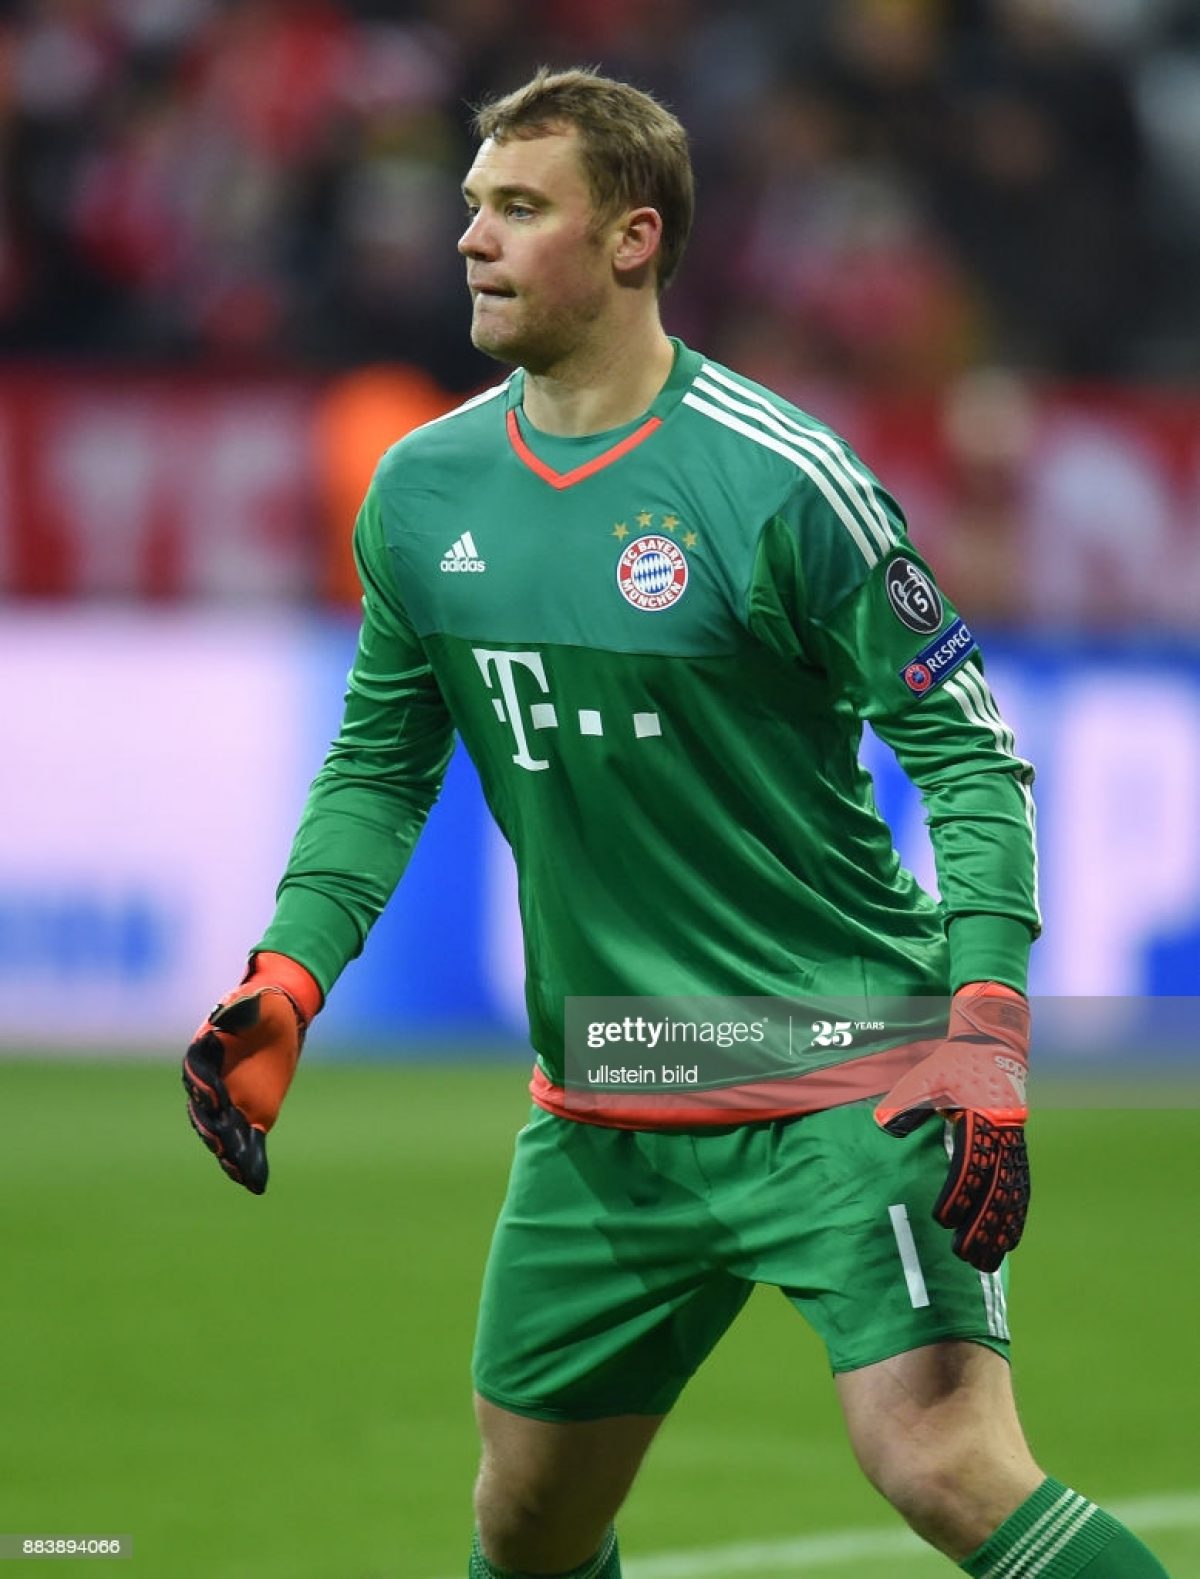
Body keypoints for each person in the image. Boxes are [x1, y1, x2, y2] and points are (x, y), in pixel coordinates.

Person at [182, 68, 1170, 1579]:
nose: (472, 239)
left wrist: (984, 1020)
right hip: (610, 1088)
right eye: (474, 207)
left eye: (521, 209)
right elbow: (380, 769)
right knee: (527, 1522)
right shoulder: (423, 493)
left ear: (633, 239)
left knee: (942, 1462)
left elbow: (971, 759)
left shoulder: (782, 484)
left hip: (849, 1069)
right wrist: (290, 975)